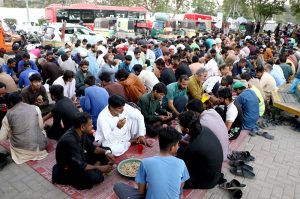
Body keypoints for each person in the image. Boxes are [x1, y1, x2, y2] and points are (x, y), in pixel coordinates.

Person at [114, 127, 189, 199]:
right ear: (172, 147)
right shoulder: (181, 163)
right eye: (177, 144)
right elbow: (180, 187)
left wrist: (150, 186)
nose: (178, 147)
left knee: (118, 186)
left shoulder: (145, 162)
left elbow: (141, 191)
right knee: (178, 190)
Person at [52, 112, 115, 190]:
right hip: (70, 168)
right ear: (82, 127)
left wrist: (107, 152)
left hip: (79, 158)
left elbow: (92, 148)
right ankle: (96, 167)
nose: (92, 126)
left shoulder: (81, 132)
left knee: (108, 150)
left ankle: (96, 165)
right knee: (96, 178)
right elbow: (80, 166)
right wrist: (100, 168)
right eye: (90, 125)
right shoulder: (70, 142)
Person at [178, 111, 223, 189]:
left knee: (176, 165)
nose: (180, 128)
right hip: (215, 173)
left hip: (207, 181)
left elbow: (185, 168)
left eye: (181, 126)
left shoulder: (192, 148)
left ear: (187, 130)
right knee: (181, 151)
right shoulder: (205, 129)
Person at [0, 92, 48, 164]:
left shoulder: (8, 114)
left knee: (10, 135)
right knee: (43, 132)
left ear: (10, 102)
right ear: (21, 99)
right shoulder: (35, 107)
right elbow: (41, 127)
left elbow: (2, 137)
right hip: (41, 147)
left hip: (22, 151)